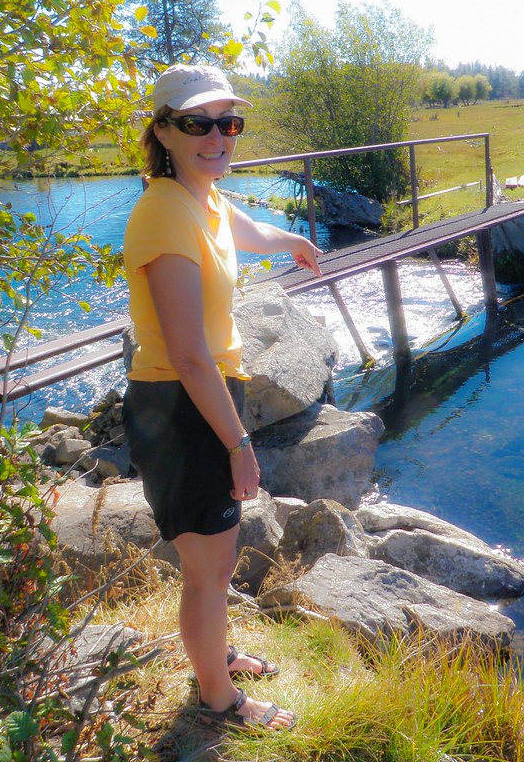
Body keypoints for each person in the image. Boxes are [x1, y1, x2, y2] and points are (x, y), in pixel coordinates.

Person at [122, 64, 322, 731]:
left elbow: (244, 231)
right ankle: (219, 700)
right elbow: (185, 352)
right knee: (206, 571)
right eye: (197, 123)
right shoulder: (161, 212)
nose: (218, 136)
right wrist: (238, 444)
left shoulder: (202, 196)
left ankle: (217, 655)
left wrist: (289, 240)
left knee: (220, 555)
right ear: (164, 131)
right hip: (181, 407)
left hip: (205, 394)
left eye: (228, 123)